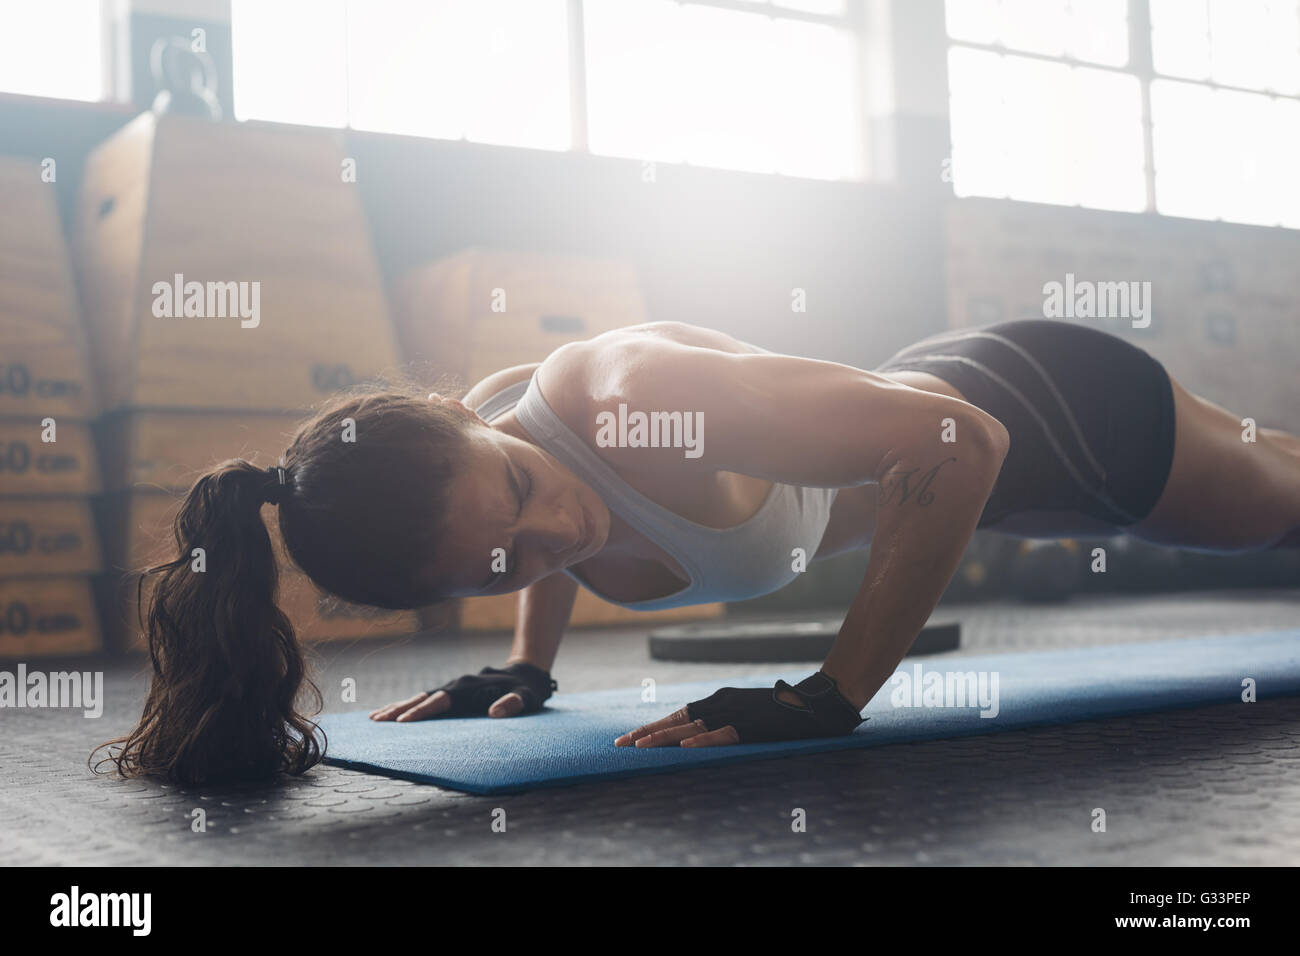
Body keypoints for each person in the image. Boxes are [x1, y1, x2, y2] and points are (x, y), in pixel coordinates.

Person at [95, 320, 1300, 783]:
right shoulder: (502, 469)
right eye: (500, 566)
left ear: (475, 419)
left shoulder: (622, 395)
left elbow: (962, 437)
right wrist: (529, 669)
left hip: (1051, 416)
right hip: (957, 483)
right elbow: (531, 533)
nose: (554, 535)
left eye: (520, 484)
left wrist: (834, 693)